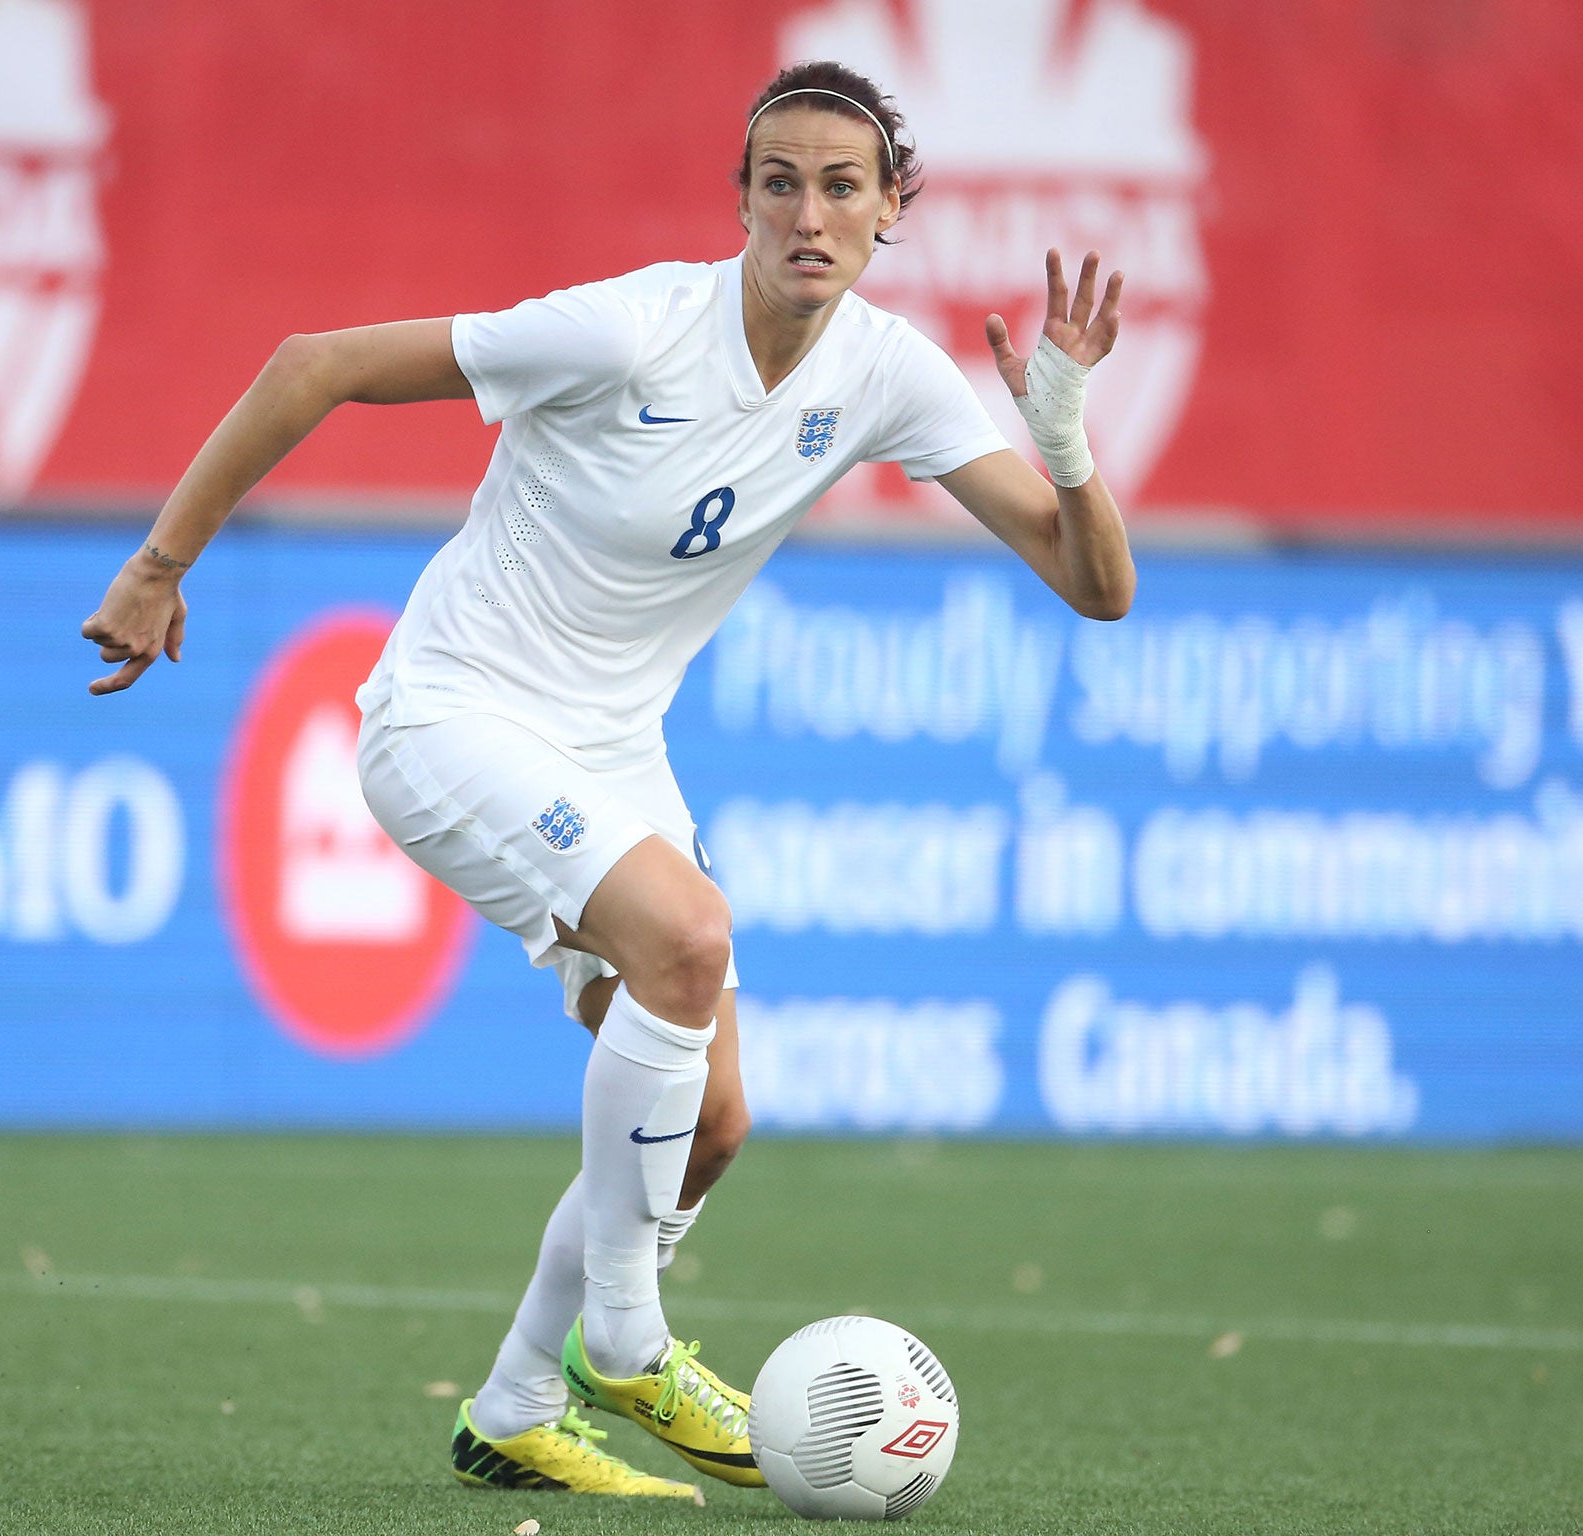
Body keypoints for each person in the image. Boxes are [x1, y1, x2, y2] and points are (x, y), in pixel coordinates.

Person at [81, 59, 1135, 1502]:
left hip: (612, 751)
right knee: (689, 938)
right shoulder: (632, 330)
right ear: (744, 200)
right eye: (781, 183)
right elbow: (310, 363)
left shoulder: (884, 369)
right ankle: (628, 1344)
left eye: (843, 187)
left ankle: (520, 1402)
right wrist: (158, 566)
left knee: (710, 1123)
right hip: (449, 715)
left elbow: (1095, 587)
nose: (809, 215)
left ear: (894, 209)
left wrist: (1065, 439)